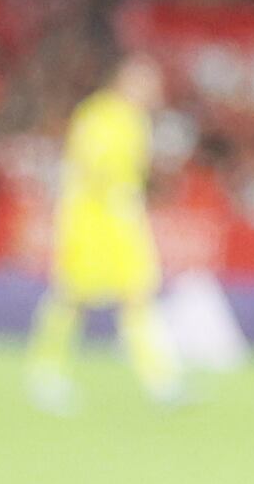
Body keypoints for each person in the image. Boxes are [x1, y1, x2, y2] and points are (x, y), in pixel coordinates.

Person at [27, 54, 182, 412]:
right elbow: (91, 167)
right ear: (125, 81)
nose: (153, 92)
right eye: (146, 83)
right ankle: (45, 373)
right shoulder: (100, 115)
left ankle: (159, 378)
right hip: (92, 221)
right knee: (73, 296)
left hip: (119, 218)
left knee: (136, 294)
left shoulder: (134, 120)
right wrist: (115, 201)